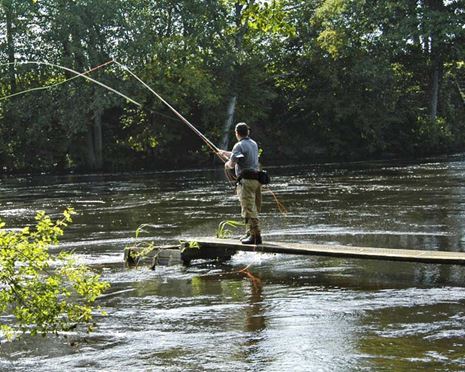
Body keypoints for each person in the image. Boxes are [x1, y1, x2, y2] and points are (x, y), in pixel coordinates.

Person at [219, 122, 262, 244]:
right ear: (247, 132)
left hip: (246, 181)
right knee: (252, 206)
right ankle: (249, 233)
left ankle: (255, 236)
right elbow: (241, 156)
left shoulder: (238, 146)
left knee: (248, 208)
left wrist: (227, 163)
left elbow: (232, 164)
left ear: (236, 133)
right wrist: (224, 153)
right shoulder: (253, 144)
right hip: (256, 181)